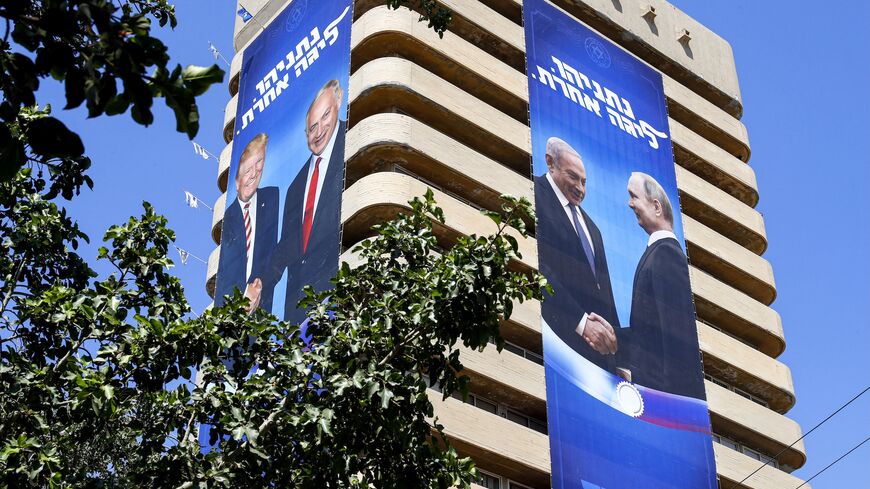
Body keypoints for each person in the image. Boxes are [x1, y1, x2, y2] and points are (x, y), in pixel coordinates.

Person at [251, 79, 346, 324]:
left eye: (325, 116)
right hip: (299, 315)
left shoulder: (352, 140)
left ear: (339, 101)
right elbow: (286, 247)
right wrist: (262, 282)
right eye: (312, 127)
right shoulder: (295, 186)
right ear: (306, 135)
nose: (319, 131)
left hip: (340, 296)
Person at [535, 137, 621, 372]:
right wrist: (582, 323)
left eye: (584, 182)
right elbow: (538, 267)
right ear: (550, 163)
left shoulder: (593, 229)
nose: (580, 188)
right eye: (573, 177)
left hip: (599, 360)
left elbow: (607, 295)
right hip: (555, 348)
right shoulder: (532, 194)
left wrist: (617, 355)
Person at [625, 172, 705, 399]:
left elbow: (677, 338)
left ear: (656, 207)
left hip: (663, 401)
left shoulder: (666, 254)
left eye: (633, 196)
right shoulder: (657, 253)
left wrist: (673, 406)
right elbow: (648, 331)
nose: (629, 204)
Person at [214, 133, 279, 314]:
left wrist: (261, 285)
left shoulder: (272, 197)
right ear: (236, 181)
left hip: (265, 308)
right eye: (247, 170)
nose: (253, 175)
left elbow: (274, 250)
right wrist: (243, 298)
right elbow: (226, 274)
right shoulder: (229, 219)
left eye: (259, 166)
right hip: (234, 311)